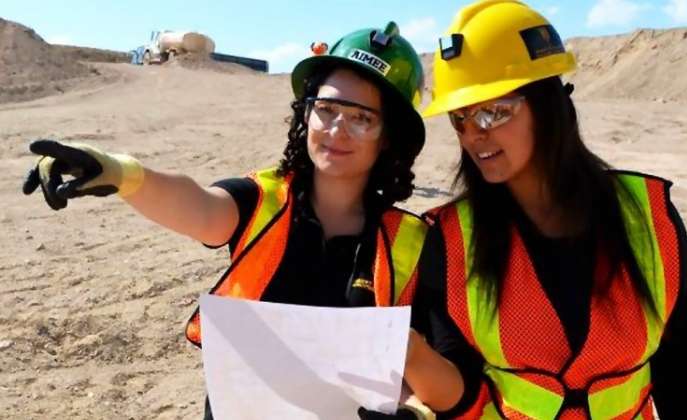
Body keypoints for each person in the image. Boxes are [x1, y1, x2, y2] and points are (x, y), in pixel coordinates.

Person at [23, 21, 432, 419]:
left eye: (362, 118)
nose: (337, 129)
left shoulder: (411, 242)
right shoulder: (262, 200)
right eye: (326, 109)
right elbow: (199, 206)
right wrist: (121, 173)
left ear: (389, 136)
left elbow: (420, 360)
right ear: (306, 114)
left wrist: (414, 411)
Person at [399, 1, 687, 419]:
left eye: (494, 111)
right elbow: (459, 391)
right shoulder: (451, 239)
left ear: (548, 105)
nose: (475, 134)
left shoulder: (650, 219)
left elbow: (681, 378)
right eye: (461, 118)